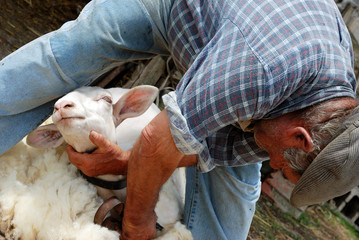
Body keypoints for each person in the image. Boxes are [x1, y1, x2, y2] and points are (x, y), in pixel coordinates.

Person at [0, 0, 358, 239]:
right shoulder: (263, 71)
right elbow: (157, 143)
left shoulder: (332, 99)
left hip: (229, 58)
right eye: (283, 167)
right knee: (65, 59)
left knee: (232, 200)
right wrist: (137, 222)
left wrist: (129, 163)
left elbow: (219, 150)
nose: (274, 166)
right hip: (169, 7)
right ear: (300, 139)